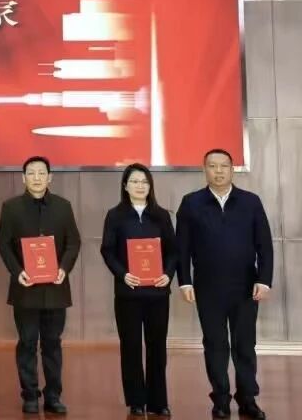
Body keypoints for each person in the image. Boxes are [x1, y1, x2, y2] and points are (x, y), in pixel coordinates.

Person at [177, 149, 273, 420]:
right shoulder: (191, 203)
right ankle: (220, 399)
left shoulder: (250, 202)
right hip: (207, 288)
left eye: (224, 166)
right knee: (215, 345)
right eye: (212, 166)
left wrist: (264, 279)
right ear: (204, 170)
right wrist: (185, 282)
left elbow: (264, 245)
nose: (218, 171)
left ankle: (247, 399)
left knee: (245, 345)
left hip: (245, 286)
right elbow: (182, 248)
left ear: (232, 169)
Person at [0, 156, 80, 416]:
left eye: (41, 173)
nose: (36, 178)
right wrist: (17, 272)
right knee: (27, 342)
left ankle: (53, 396)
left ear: (49, 177)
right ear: (23, 178)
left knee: (52, 344)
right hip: (25, 288)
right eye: (31, 173)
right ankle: (30, 395)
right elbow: (4, 244)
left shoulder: (63, 206)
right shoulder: (11, 207)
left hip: (56, 288)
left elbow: (73, 242)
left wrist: (64, 268)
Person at [99, 163, 178, 417]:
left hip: (157, 293)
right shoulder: (115, 215)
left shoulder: (162, 215)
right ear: (125, 186)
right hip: (128, 294)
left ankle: (158, 401)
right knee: (131, 347)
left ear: (150, 185)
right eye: (134, 181)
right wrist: (123, 274)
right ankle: (136, 400)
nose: (140, 186)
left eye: (144, 181)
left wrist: (168, 274)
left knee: (157, 347)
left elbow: (173, 251)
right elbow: (107, 250)